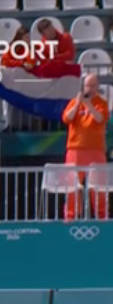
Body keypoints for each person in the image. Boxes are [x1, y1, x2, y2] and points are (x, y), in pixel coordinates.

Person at [61, 74, 109, 221]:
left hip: (96, 150)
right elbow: (67, 118)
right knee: (72, 187)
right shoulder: (74, 102)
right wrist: (78, 103)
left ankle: (102, 218)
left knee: (99, 187)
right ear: (83, 87)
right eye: (88, 85)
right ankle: (70, 217)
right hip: (75, 149)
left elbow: (100, 119)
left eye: (93, 85)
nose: (90, 88)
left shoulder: (102, 103)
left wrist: (89, 105)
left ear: (98, 87)